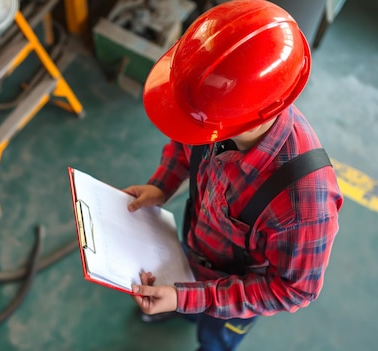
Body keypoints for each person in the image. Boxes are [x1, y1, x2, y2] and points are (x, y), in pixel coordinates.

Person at [122, 1, 344, 350]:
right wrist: (161, 185)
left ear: (238, 119)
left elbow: (293, 289)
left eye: (200, 121)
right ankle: (181, 307)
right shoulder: (215, 114)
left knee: (216, 340)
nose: (193, 128)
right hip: (193, 247)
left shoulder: (303, 204)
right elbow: (184, 140)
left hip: (235, 301)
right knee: (184, 298)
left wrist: (187, 298)